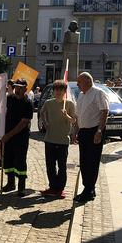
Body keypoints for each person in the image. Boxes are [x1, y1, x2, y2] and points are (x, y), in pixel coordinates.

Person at [74, 72, 109, 203]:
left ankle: (89, 190)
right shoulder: (81, 96)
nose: (77, 85)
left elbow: (104, 111)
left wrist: (99, 130)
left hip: (94, 131)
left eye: (79, 82)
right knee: (84, 162)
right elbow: (78, 115)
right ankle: (88, 188)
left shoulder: (98, 93)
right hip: (83, 132)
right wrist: (75, 131)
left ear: (88, 81)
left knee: (92, 162)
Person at [40, 80, 76, 198]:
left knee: (62, 166)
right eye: (56, 90)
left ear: (65, 91)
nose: (58, 92)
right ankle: (52, 187)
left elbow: (74, 121)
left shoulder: (69, 104)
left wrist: (66, 115)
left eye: (61, 90)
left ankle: (60, 189)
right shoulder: (48, 103)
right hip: (50, 139)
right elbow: (42, 112)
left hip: (62, 140)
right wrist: (45, 123)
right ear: (53, 91)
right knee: (50, 166)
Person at [1, 78, 33, 196]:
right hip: (7, 136)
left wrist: (8, 135)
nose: (17, 90)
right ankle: (10, 183)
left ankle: (21, 187)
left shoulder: (28, 103)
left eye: (20, 88)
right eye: (16, 87)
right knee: (8, 160)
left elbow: (24, 122)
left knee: (20, 161)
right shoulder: (8, 99)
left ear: (25, 89)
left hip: (21, 138)